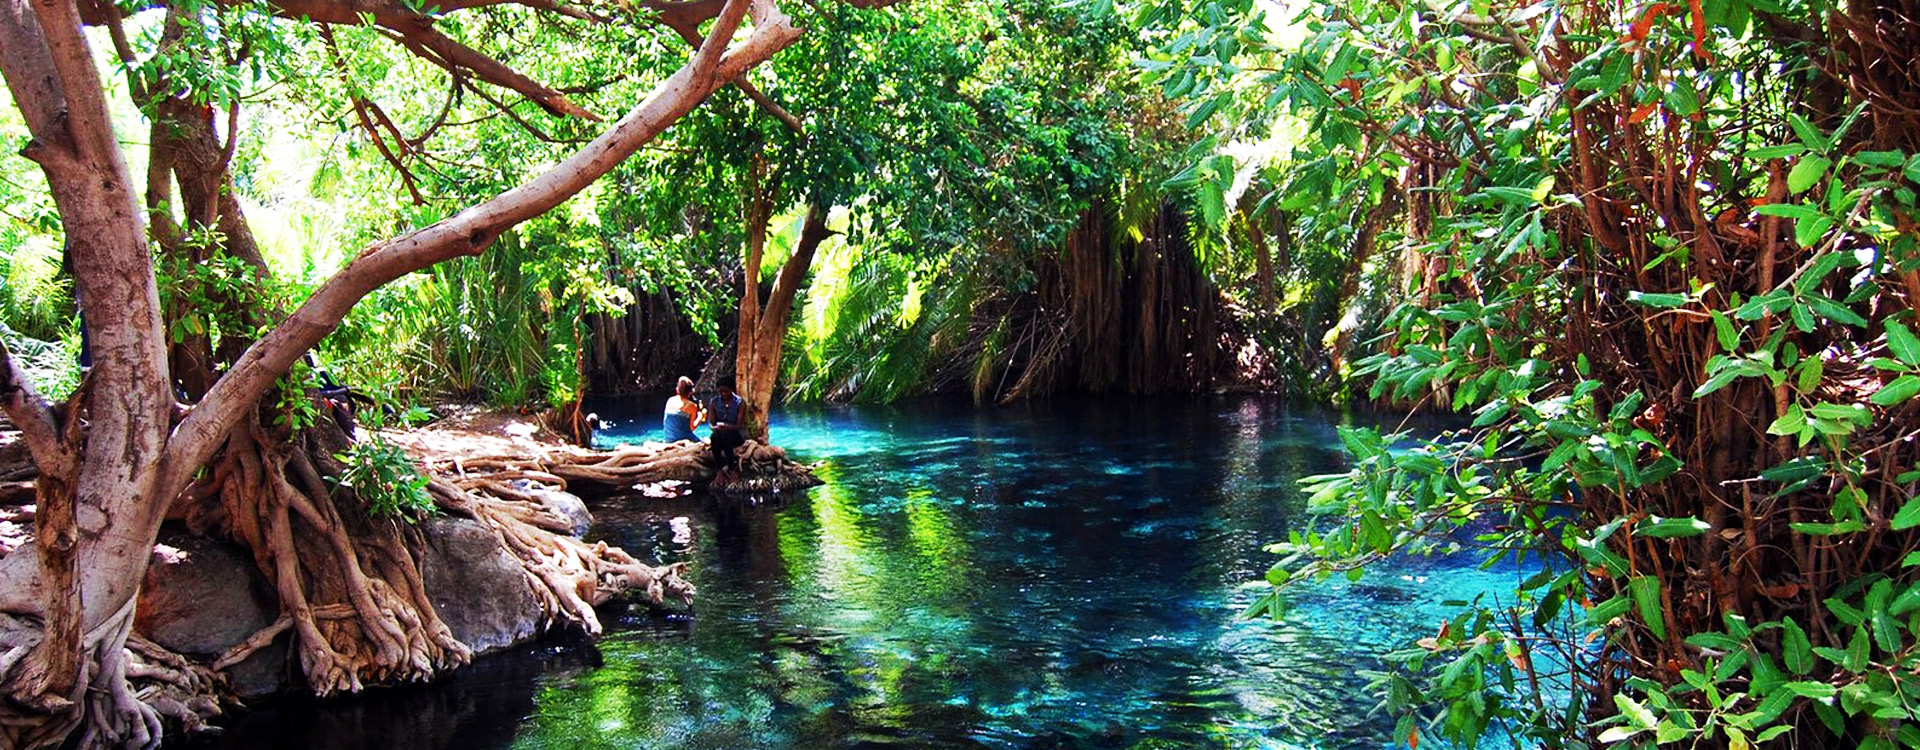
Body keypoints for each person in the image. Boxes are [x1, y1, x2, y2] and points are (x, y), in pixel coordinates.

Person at [706, 375, 745, 469]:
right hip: (719, 434)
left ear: (731, 390)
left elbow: (739, 425)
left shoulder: (739, 403)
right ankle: (718, 469)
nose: (723, 394)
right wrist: (714, 428)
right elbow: (711, 423)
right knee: (715, 437)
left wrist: (728, 427)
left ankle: (731, 468)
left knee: (726, 436)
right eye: (720, 391)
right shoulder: (714, 402)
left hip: (734, 435)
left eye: (725, 391)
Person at [662, 375, 704, 443]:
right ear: (691, 392)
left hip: (669, 439)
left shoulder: (670, 400)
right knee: (706, 441)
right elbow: (692, 428)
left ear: (677, 389)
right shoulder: (692, 406)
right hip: (684, 439)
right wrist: (700, 417)